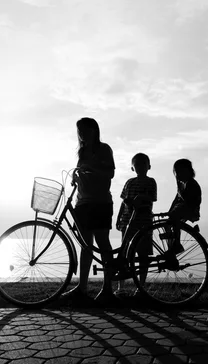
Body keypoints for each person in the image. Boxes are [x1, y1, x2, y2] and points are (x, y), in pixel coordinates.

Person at [63, 117, 117, 304]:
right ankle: (82, 288)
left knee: (103, 243)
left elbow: (110, 173)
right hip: (83, 202)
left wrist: (90, 168)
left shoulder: (104, 149)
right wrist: (76, 176)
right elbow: (83, 172)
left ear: (94, 130)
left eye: (85, 130)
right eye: (79, 131)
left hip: (101, 201)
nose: (82, 134)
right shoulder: (82, 151)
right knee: (85, 246)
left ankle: (107, 288)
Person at [115, 153, 157, 297]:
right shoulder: (129, 182)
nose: (140, 167)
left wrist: (139, 198)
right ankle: (121, 288)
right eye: (137, 164)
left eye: (143, 164)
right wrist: (119, 217)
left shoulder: (151, 182)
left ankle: (141, 287)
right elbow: (123, 201)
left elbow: (152, 197)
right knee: (124, 254)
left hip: (144, 222)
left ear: (149, 166)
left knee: (143, 255)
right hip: (128, 222)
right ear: (132, 168)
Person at [167, 158, 202, 253]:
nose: (177, 175)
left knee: (174, 219)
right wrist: (169, 211)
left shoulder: (191, 184)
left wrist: (174, 212)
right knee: (168, 223)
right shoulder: (181, 183)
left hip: (190, 208)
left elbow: (190, 202)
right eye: (176, 172)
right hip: (181, 208)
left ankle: (176, 244)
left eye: (179, 172)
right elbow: (176, 198)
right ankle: (171, 247)